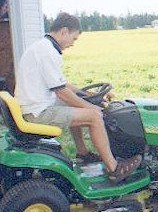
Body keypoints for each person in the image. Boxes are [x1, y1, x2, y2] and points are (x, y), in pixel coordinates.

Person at [14, 12, 141, 182]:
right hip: (37, 112)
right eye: (73, 39)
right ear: (64, 31)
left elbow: (63, 85)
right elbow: (62, 93)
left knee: (78, 106)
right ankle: (114, 168)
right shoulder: (47, 52)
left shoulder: (43, 47)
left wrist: (89, 96)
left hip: (34, 105)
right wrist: (91, 107)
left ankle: (83, 153)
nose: (72, 44)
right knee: (95, 117)